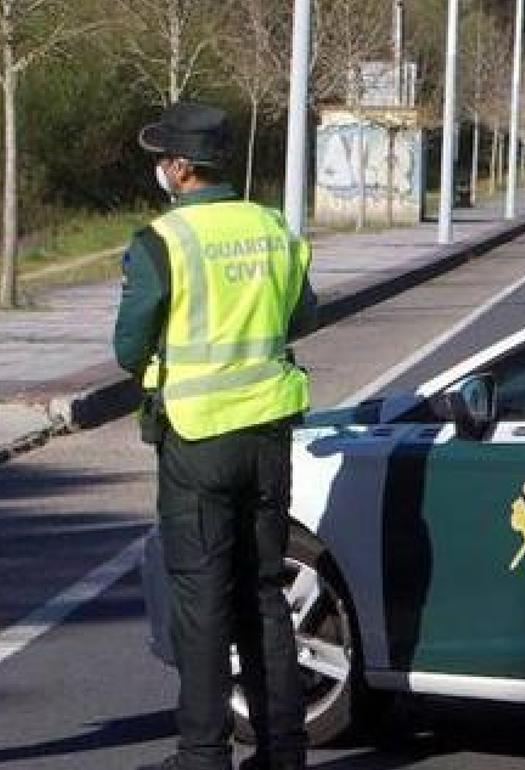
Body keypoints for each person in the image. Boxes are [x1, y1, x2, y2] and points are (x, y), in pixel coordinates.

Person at [115, 101, 317, 770]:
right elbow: (304, 312)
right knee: (263, 593)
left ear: (178, 167)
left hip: (198, 442)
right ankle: (283, 751)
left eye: (161, 160)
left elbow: (127, 347)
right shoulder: (272, 228)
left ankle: (203, 756)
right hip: (266, 435)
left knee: (201, 602)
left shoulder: (161, 243)